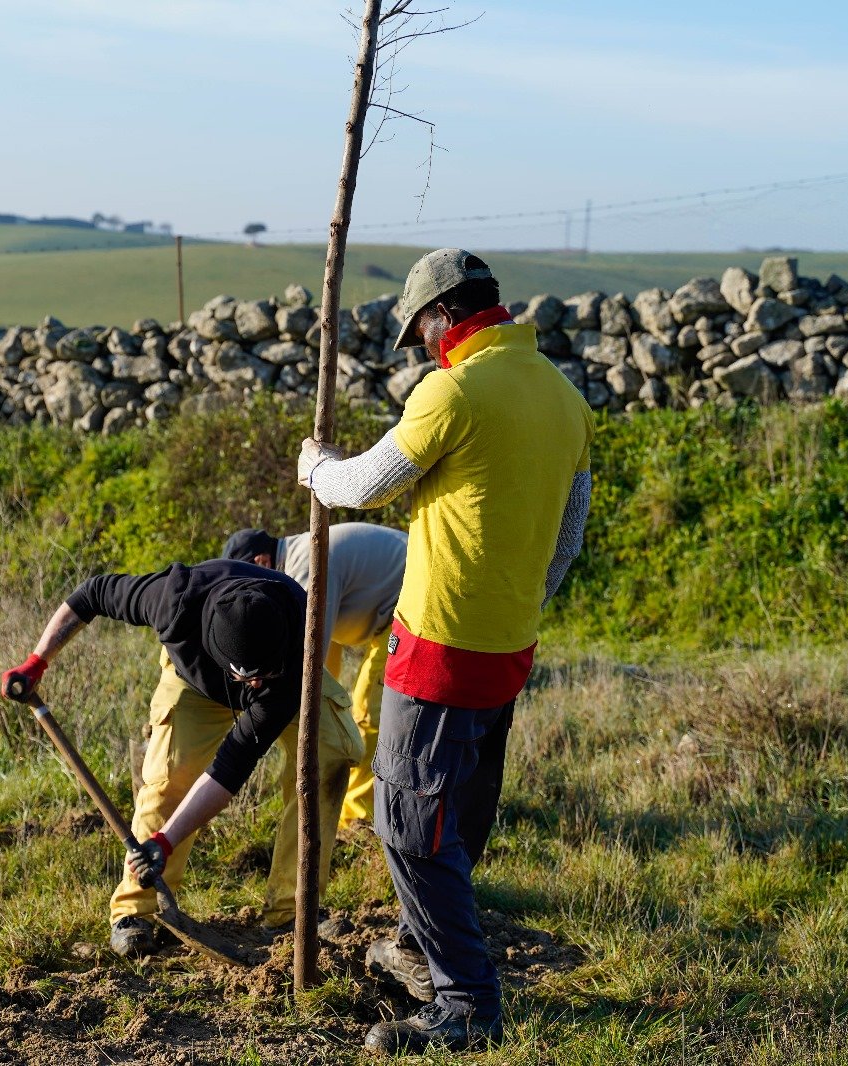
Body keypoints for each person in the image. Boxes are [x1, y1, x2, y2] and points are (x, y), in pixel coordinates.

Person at [297, 248, 593, 1054]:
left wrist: (316, 468)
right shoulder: (566, 400)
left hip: (437, 646)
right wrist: (518, 604)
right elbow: (568, 539)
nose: (422, 349)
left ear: (443, 316)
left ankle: (465, 1002)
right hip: (509, 646)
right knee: (457, 812)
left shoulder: (451, 392)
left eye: (421, 332)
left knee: (406, 822)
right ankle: (415, 943)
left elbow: (364, 485)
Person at [0, 559, 363, 958]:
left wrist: (167, 839)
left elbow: (231, 767)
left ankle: (293, 911)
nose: (255, 684)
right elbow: (91, 594)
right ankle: (137, 910)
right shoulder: (173, 601)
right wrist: (37, 661)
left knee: (328, 756)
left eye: (263, 674)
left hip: (289, 683)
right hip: (193, 682)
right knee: (171, 775)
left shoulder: (298, 643)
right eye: (247, 677)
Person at [221, 522, 408, 827]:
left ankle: (359, 819)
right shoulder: (296, 560)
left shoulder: (306, 567)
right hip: (383, 611)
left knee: (367, 710)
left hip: (409, 608)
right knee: (319, 704)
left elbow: (309, 649)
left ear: (261, 562)